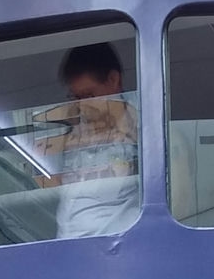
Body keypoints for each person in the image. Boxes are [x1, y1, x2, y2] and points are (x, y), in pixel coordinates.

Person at [36, 42, 139, 241]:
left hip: (117, 247)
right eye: (76, 97)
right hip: (69, 249)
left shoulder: (143, 130)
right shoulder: (70, 132)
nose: (82, 106)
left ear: (113, 79)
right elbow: (58, 191)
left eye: (89, 95)